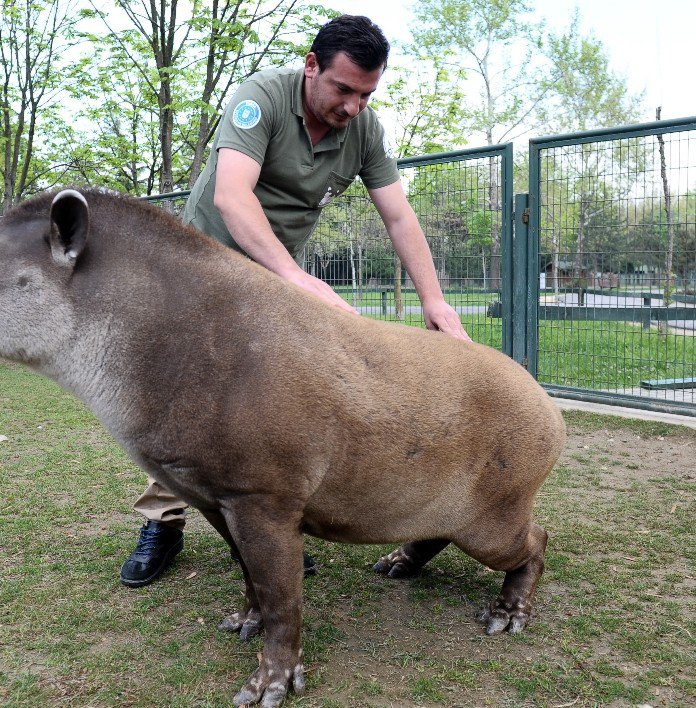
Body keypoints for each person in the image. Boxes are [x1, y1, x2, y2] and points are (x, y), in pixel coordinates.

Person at [119, 14, 472, 588]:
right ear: (311, 66)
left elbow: (399, 216)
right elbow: (232, 198)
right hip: (201, 270)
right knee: (189, 401)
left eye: (366, 94)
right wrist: (295, 277)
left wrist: (436, 302)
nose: (353, 106)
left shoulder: (363, 129)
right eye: (343, 89)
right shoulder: (261, 98)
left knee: (276, 398)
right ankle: (164, 521)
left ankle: (269, 526)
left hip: (271, 277)